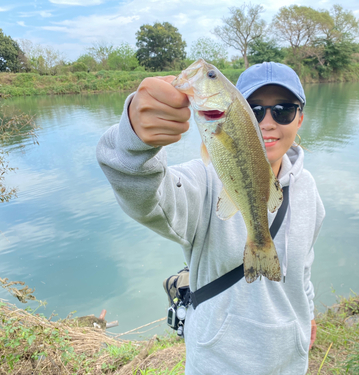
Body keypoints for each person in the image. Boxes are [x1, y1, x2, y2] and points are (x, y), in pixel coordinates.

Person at [97, 62, 325, 374]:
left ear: (300, 118)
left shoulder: (308, 189)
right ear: (239, 114)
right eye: (255, 110)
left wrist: (307, 314)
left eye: (283, 110)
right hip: (217, 365)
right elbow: (147, 199)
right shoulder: (203, 181)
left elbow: (303, 269)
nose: (268, 122)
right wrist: (135, 142)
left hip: (289, 363)